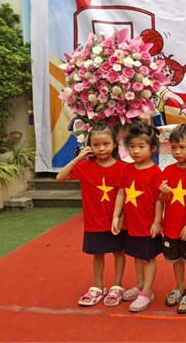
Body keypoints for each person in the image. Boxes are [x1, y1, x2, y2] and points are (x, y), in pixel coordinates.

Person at [56, 122, 126, 307]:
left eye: (106, 144)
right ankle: (98, 286)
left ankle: (117, 285)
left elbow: (123, 194)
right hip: (94, 221)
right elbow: (60, 178)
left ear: (115, 144)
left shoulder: (122, 168)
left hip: (115, 222)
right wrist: (79, 157)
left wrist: (119, 218)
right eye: (96, 145)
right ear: (89, 146)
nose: (101, 148)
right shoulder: (84, 167)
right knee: (98, 254)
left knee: (119, 253)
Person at [111, 123, 164, 313]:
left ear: (153, 148)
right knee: (137, 256)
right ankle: (140, 284)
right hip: (131, 224)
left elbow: (159, 200)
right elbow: (121, 193)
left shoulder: (156, 173)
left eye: (141, 146)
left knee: (148, 258)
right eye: (132, 146)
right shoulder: (127, 169)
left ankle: (147, 292)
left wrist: (157, 222)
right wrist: (116, 216)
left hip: (147, 224)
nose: (136, 151)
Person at [158, 124, 186, 314]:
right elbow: (163, 199)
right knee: (175, 259)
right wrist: (165, 193)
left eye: (182, 147)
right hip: (171, 225)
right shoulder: (167, 170)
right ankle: (179, 287)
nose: (177, 152)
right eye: (173, 147)